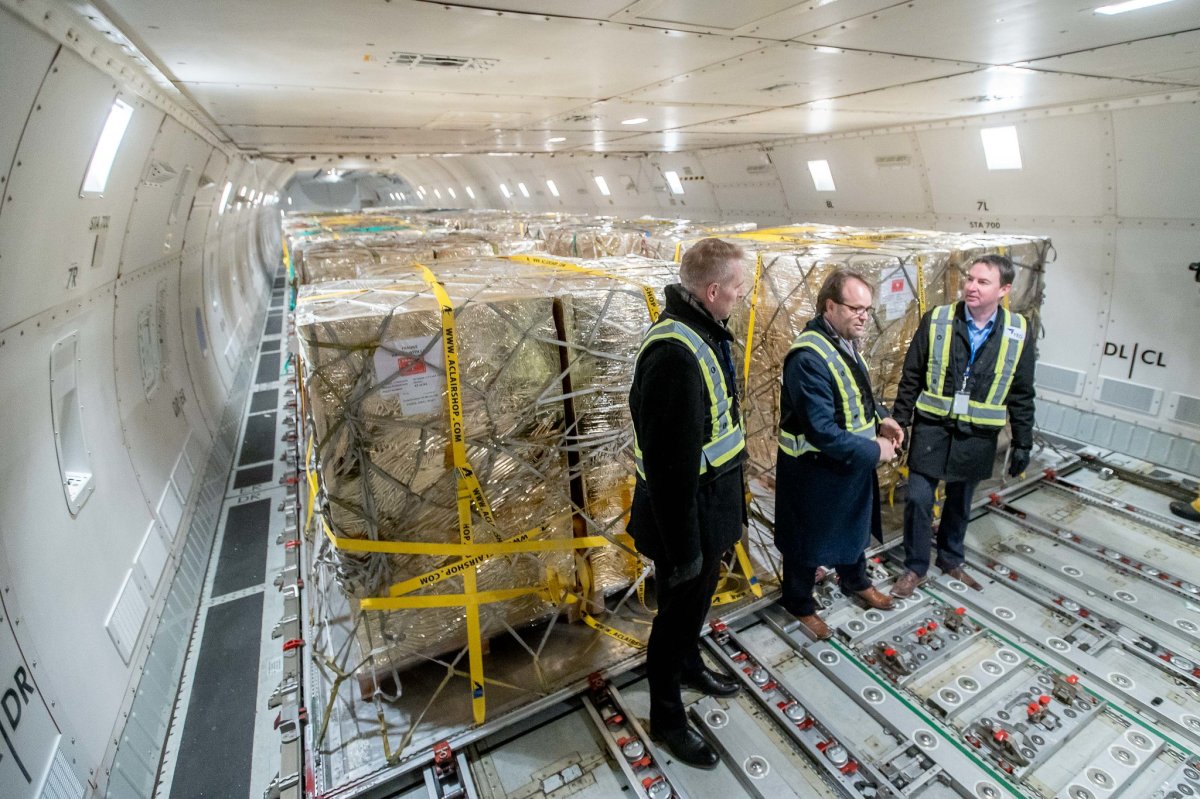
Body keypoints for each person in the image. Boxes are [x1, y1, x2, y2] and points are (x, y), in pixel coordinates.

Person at [627, 237, 748, 769]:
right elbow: (670, 469)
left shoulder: (706, 331)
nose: (742, 299)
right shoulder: (675, 354)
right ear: (714, 289)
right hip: (686, 521)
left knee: (695, 609)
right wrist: (685, 551)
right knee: (674, 618)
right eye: (739, 289)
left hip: (711, 510)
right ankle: (667, 717)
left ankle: (691, 665)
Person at [890, 254, 1036, 598]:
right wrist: (900, 422)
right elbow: (911, 375)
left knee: (960, 501)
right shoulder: (938, 320)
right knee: (919, 499)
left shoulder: (1017, 332)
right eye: (970, 279)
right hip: (932, 429)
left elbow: (1022, 392)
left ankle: (951, 558)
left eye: (983, 282)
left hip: (977, 437)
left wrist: (1023, 442)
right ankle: (915, 566)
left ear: (1004, 289)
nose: (971, 287)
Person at [774, 269, 904, 641]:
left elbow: (857, 393)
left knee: (853, 526)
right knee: (806, 541)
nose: (864, 316)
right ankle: (798, 603)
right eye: (855, 308)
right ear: (830, 306)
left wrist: (882, 418)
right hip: (813, 469)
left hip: (847, 463)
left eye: (868, 309)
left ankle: (855, 581)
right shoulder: (808, 357)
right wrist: (875, 449)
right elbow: (821, 430)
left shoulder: (845, 343)